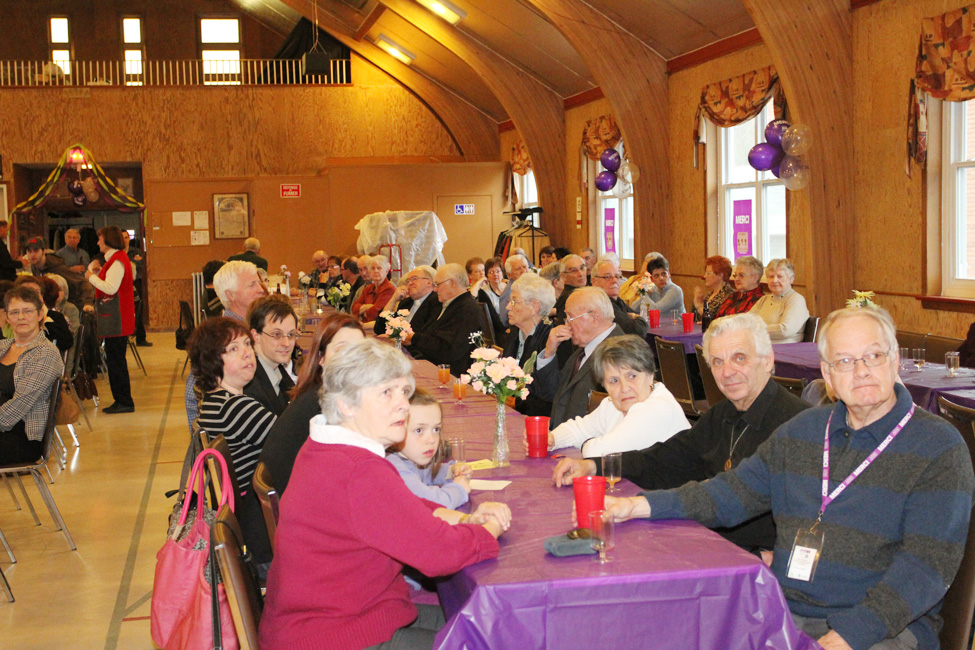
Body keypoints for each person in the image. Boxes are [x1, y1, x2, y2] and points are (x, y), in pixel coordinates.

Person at [599, 306, 975, 650]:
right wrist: (639, 505)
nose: (861, 370)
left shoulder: (938, 447)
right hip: (783, 607)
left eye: (873, 356)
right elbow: (729, 493)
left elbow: (925, 568)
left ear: (895, 361)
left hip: (882, 630)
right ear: (827, 374)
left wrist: (845, 636)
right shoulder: (804, 431)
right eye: (844, 361)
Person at [259, 338, 510, 650]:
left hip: (339, 619)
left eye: (404, 391)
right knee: (493, 635)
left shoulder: (328, 448)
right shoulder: (358, 469)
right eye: (386, 393)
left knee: (486, 624)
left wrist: (464, 517)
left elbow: (400, 507)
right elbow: (440, 555)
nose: (403, 403)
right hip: (336, 635)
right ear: (346, 404)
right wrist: (490, 529)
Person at [552, 313, 808, 555]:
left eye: (739, 358)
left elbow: (806, 512)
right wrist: (594, 466)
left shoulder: (798, 424)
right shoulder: (723, 414)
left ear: (767, 360)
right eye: (717, 362)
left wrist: (778, 556)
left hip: (750, 557)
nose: (727, 372)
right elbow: (664, 459)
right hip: (710, 540)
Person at [189, 317, 277, 566]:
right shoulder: (235, 408)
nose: (247, 353)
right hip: (261, 534)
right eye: (234, 349)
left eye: (248, 345)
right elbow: (290, 445)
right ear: (212, 361)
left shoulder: (213, 402)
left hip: (247, 526)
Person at [259, 312, 364, 494]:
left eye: (360, 351)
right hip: (286, 512)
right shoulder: (321, 405)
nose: (352, 359)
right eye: (341, 350)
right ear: (321, 358)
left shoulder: (318, 391)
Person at [532, 335, 688, 457]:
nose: (624, 388)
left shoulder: (657, 409)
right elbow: (579, 428)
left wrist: (586, 443)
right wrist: (552, 438)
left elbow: (600, 453)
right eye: (614, 381)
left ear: (650, 375)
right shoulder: (612, 404)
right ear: (604, 385)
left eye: (632, 376)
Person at [184, 260, 266, 430]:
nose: (261, 289)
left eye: (259, 282)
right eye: (252, 285)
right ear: (230, 295)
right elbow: (193, 395)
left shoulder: (251, 328)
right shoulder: (219, 338)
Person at [532, 287, 624, 429]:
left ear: (594, 318)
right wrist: (549, 351)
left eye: (570, 318)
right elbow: (551, 393)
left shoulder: (620, 355)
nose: (566, 325)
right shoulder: (582, 351)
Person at [0, 285, 63, 464]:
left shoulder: (45, 353)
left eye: (27, 311)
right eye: (14, 312)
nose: (21, 317)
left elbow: (20, 405)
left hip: (22, 437)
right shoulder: (2, 347)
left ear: (40, 314)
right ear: (7, 317)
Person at [387, 389, 472, 509]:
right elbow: (434, 503)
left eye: (436, 429)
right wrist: (458, 489)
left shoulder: (410, 458)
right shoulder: (394, 469)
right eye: (419, 430)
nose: (431, 439)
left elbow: (426, 473)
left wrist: (450, 472)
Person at [84, 226, 134, 414]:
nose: (98, 242)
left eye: (100, 239)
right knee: (115, 360)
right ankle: (121, 399)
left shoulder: (117, 261)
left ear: (108, 240)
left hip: (118, 318)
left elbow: (111, 288)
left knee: (116, 362)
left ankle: (124, 401)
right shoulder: (115, 259)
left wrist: (90, 278)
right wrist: (98, 274)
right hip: (117, 317)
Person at [403, 263, 483, 375]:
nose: (435, 289)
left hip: (452, 375)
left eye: (437, 284)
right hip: (435, 367)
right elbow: (430, 334)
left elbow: (449, 349)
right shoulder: (448, 305)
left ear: (452, 283)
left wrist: (414, 338)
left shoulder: (467, 309)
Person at [503, 273, 556, 416]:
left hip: (537, 420)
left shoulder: (550, 340)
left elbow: (547, 395)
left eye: (515, 301)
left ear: (534, 307)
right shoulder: (515, 333)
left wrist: (516, 403)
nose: (508, 307)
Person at [244, 296, 298, 416]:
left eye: (291, 334)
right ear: (256, 336)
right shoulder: (250, 385)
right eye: (277, 334)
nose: (286, 343)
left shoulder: (275, 368)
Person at [749, 258, 809, 344]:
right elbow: (747, 320)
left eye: (780, 276)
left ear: (791, 279)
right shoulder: (764, 299)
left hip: (784, 350)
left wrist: (754, 329)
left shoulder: (796, 299)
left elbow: (785, 330)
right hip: (760, 346)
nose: (774, 280)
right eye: (771, 277)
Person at [23, 236, 93, 310]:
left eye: (36, 250)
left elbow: (83, 282)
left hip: (70, 306)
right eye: (29, 251)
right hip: (51, 306)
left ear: (44, 251)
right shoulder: (34, 266)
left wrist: (87, 303)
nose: (32, 254)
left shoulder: (58, 267)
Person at [374, 266, 439, 336]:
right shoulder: (406, 303)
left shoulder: (436, 302)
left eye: (414, 279)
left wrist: (396, 338)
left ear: (429, 283)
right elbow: (379, 329)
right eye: (408, 281)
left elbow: (424, 334)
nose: (410, 283)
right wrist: (393, 300)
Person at [16, 276, 72, 354]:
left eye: (36, 292)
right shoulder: (12, 317)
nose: (33, 297)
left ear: (42, 297)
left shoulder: (55, 317)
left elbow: (66, 343)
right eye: (27, 293)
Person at [590, 259, 648, 336]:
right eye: (607, 277)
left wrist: (634, 316)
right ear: (594, 281)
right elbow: (637, 331)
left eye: (617, 276)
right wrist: (635, 317)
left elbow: (635, 314)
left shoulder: (616, 300)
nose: (614, 280)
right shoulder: (602, 304)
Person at [121, 231, 151, 347]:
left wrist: (128, 263)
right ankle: (125, 336)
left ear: (129, 238)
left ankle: (141, 338)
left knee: (138, 307)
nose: (125, 240)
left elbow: (140, 264)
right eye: (122, 237)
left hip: (135, 282)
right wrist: (132, 262)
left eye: (126, 237)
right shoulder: (117, 253)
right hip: (122, 284)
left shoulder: (135, 251)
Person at [352, 255, 395, 323]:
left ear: (386, 271)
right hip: (364, 325)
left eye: (379, 268)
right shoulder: (367, 288)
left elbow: (375, 313)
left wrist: (362, 310)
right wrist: (369, 307)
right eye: (372, 268)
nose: (376, 271)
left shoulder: (389, 289)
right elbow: (354, 308)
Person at [692, 255, 734, 320]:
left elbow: (715, 320)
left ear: (720, 275)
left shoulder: (729, 296)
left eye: (709, 273)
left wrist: (698, 305)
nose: (705, 276)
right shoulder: (709, 295)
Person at [553, 254, 588, 321]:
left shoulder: (583, 293)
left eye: (582, 268)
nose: (581, 274)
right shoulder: (568, 298)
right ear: (563, 276)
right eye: (574, 270)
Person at [497, 253, 530, 326]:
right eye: (518, 269)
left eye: (525, 267)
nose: (523, 271)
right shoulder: (509, 292)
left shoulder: (529, 287)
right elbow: (504, 321)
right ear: (509, 275)